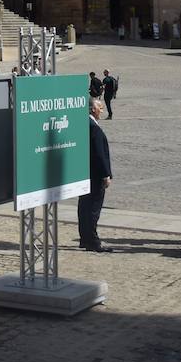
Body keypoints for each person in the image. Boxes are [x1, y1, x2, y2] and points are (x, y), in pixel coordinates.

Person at [78, 97, 113, 252]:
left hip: (85, 173)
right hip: (95, 174)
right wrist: (106, 174)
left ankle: (85, 238)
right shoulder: (94, 127)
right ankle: (92, 240)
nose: (102, 110)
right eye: (100, 107)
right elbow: (99, 154)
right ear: (92, 109)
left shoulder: (83, 123)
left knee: (84, 207)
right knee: (93, 209)